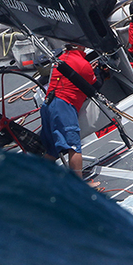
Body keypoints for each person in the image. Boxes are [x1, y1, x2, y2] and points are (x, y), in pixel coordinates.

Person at [40, 44, 104, 182]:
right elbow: (95, 86)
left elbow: (74, 75)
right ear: (80, 45)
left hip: (47, 105)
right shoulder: (83, 64)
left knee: (51, 150)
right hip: (63, 106)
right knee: (74, 147)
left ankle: (38, 180)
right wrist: (98, 72)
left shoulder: (61, 58)